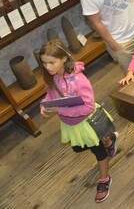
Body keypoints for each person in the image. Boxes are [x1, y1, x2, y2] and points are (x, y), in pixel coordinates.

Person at [39, 39, 118, 203]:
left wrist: (60, 110)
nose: (47, 67)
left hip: (87, 122)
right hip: (70, 123)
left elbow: (88, 107)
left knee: (98, 151)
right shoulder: (51, 76)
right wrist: (44, 104)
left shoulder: (79, 81)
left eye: (51, 63)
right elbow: (50, 93)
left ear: (64, 58)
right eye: (44, 63)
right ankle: (109, 140)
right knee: (78, 148)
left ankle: (104, 179)